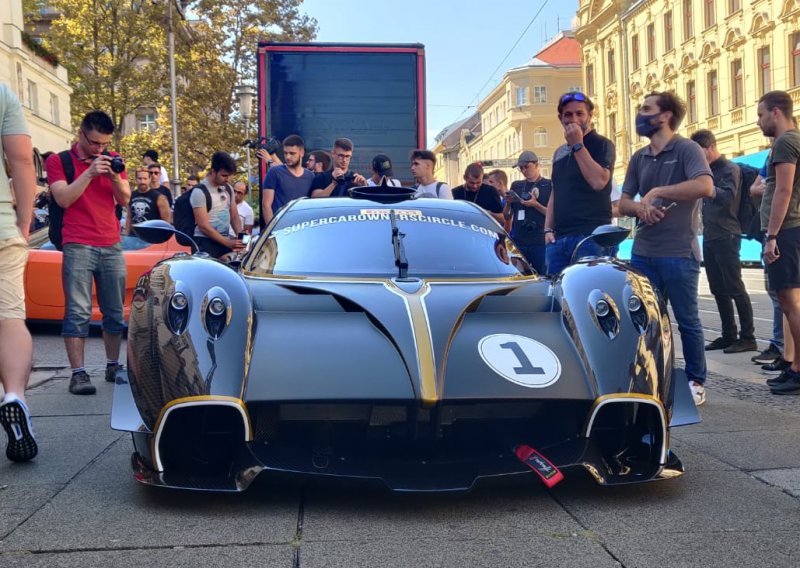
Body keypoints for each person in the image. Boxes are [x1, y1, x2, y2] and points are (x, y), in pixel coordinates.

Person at [618, 91, 714, 406]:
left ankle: (696, 382)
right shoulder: (639, 157)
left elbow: (705, 186)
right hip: (644, 253)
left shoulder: (687, 149)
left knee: (687, 320)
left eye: (647, 109)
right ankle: (650, 380)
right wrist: (640, 209)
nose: (640, 115)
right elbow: (623, 203)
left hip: (679, 253)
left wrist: (658, 191)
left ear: (665, 116)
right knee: (644, 321)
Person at [46, 110, 131, 395]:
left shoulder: (113, 159)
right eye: (95, 143)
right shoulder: (59, 161)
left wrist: (115, 176)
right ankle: (78, 374)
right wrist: (90, 173)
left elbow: (126, 199)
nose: (100, 149)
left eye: (105, 144)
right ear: (81, 134)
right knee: (78, 311)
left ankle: (112, 365)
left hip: (111, 242)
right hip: (77, 242)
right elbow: (63, 197)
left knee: (115, 311)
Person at [690, 129, 757, 354]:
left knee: (735, 286)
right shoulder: (706, 170)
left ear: (710, 147)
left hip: (728, 234)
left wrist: (706, 188)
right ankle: (728, 334)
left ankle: (748, 337)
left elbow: (728, 197)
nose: (699, 159)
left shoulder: (730, 169)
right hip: (710, 235)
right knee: (718, 288)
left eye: (700, 153)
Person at [0, 82, 38, 461]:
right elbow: (22, 161)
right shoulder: (2, 93)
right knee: (10, 318)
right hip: (0, 229)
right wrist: (24, 224)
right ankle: (14, 394)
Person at [756, 91, 800, 395]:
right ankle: (795, 364)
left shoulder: (785, 141)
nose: (758, 122)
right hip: (789, 230)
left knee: (789, 303)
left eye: (760, 115)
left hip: (786, 231)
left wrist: (772, 236)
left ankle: (798, 369)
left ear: (775, 112)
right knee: (789, 303)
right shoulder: (790, 141)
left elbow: (783, 191)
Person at [544, 92, 615, 275]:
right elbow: (555, 192)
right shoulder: (559, 153)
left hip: (590, 237)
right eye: (568, 114)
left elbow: (599, 181)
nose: (573, 119)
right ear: (560, 118)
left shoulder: (602, 145)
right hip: (559, 240)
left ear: (590, 116)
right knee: (559, 299)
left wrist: (577, 145)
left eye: (579, 113)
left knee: (590, 296)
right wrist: (547, 230)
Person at [503, 151, 552, 274]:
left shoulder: (548, 185)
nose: (524, 170)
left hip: (539, 241)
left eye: (526, 167)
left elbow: (553, 215)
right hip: (520, 240)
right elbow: (507, 216)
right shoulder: (517, 185)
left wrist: (536, 205)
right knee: (517, 274)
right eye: (521, 168)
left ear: (536, 165)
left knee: (542, 275)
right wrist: (508, 203)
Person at [191, 152, 243, 259]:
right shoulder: (199, 192)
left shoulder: (228, 189)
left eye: (230, 176)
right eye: (224, 175)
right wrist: (228, 243)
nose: (227, 179)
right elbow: (203, 226)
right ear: (213, 171)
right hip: (205, 243)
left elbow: (234, 216)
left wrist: (241, 237)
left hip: (224, 241)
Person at [262, 135, 315, 225]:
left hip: (302, 227)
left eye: (292, 153)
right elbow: (266, 205)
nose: (288, 157)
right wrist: (272, 232)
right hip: (279, 228)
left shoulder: (310, 176)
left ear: (301, 153)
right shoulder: (274, 172)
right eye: (285, 153)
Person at [126, 167, 171, 234]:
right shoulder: (131, 195)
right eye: (140, 178)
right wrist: (126, 234)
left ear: (149, 179)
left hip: (152, 237)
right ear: (136, 179)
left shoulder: (159, 197)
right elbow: (129, 217)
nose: (142, 182)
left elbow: (166, 222)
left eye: (145, 179)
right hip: (134, 237)